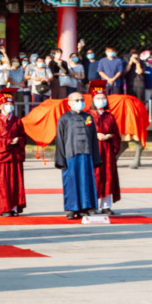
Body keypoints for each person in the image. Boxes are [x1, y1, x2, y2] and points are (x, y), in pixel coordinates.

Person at [53, 89, 100, 219]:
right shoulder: (64, 118)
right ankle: (71, 209)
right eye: (77, 100)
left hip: (86, 153)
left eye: (82, 100)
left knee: (87, 181)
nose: (80, 102)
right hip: (70, 155)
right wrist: (60, 159)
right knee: (71, 182)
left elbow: (94, 138)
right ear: (70, 103)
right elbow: (60, 140)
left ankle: (88, 207)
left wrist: (96, 157)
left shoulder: (88, 117)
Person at [0, 88, 27, 217]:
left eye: (11, 104)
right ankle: (4, 208)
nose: (9, 107)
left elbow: (24, 137)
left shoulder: (17, 121)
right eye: (6, 104)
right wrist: (7, 142)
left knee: (15, 182)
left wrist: (19, 140)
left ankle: (14, 207)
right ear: (0, 106)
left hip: (14, 156)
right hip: (2, 157)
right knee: (3, 183)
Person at [90, 83, 122, 216]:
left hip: (107, 151)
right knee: (93, 177)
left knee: (108, 176)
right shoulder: (87, 115)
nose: (101, 101)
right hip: (93, 150)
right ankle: (91, 205)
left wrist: (110, 136)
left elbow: (117, 134)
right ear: (92, 100)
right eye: (98, 98)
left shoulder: (110, 116)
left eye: (103, 98)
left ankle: (106, 206)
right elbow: (82, 132)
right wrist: (95, 134)